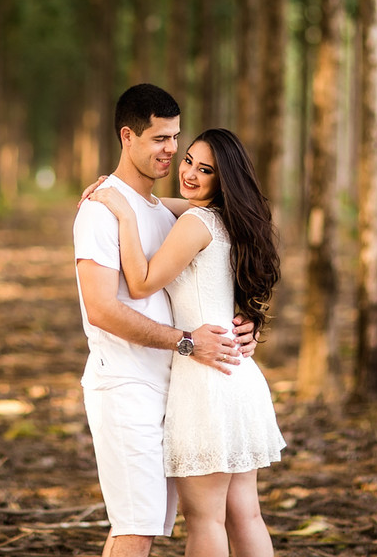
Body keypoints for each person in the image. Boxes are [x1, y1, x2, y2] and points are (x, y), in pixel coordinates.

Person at [73, 84, 257, 557]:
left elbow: (220, 230)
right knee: (136, 525)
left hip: (180, 390)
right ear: (127, 136)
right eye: (160, 139)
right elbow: (102, 308)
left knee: (158, 525)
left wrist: (245, 323)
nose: (172, 151)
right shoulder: (101, 210)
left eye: (176, 138)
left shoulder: (164, 210)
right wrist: (188, 343)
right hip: (127, 386)